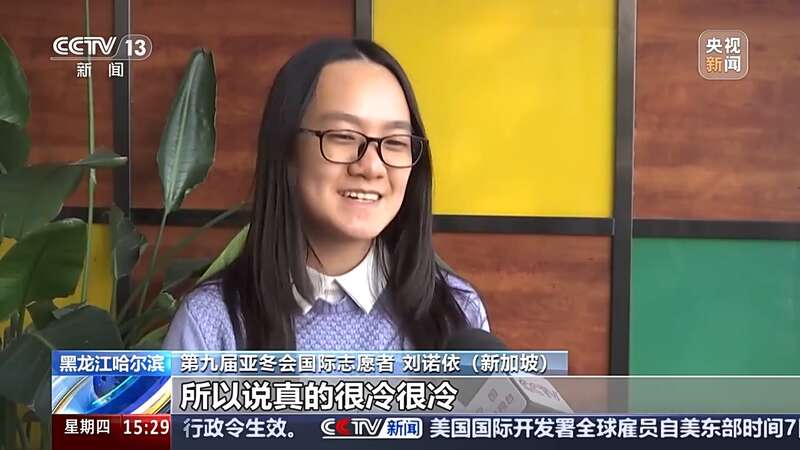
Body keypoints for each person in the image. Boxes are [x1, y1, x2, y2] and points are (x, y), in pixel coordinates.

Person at [163, 38, 489, 351]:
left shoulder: (457, 314)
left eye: (395, 142)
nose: (372, 167)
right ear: (287, 149)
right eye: (343, 136)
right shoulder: (211, 323)